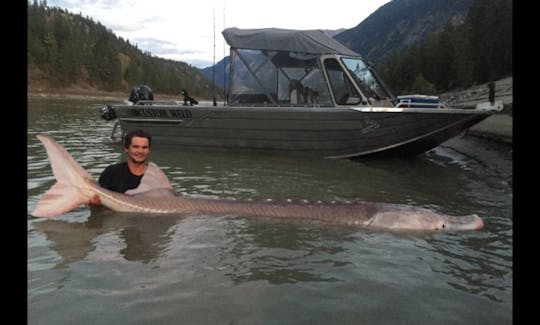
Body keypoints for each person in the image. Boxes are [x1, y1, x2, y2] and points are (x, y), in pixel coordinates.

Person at [88, 129, 152, 205]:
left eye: (144, 147)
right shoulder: (111, 172)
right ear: (126, 149)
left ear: (149, 150)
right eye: (135, 147)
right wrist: (94, 204)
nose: (140, 151)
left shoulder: (155, 177)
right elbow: (96, 205)